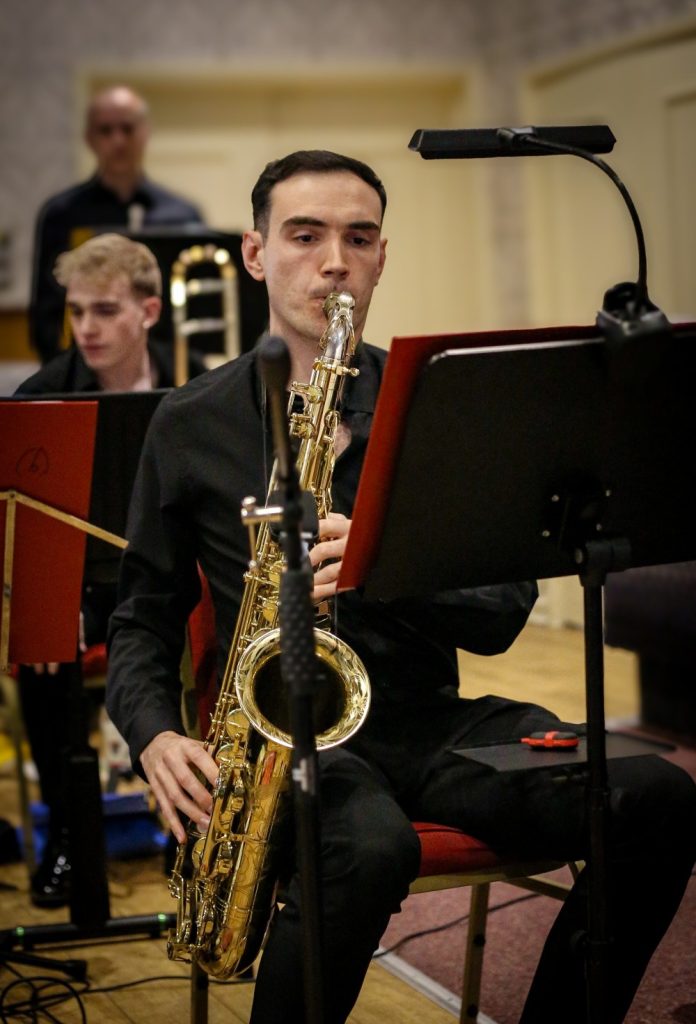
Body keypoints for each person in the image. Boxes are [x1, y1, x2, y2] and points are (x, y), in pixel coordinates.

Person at [105, 150, 696, 1024]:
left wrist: (386, 569)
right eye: (304, 236)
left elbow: (503, 615)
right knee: (366, 847)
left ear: (384, 256)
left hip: (433, 728)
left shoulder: (436, 404)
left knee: (655, 795)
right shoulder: (188, 423)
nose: (334, 260)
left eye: (359, 237)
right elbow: (141, 617)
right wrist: (153, 735)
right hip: (293, 742)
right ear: (255, 254)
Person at [16, 232, 206, 907]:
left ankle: (197, 819)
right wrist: (47, 597)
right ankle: (70, 831)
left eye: (104, 311)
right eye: (76, 312)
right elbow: (27, 525)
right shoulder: (41, 395)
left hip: (173, 579)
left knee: (221, 637)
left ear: (149, 312)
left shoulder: (199, 383)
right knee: (43, 647)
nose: (85, 329)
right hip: (84, 586)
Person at [29, 85, 203, 364]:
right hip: (84, 369)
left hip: (166, 373)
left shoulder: (183, 213)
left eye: (128, 128)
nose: (118, 140)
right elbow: (47, 313)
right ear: (89, 138)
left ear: (145, 132)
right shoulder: (61, 214)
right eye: (106, 130)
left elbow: (198, 312)